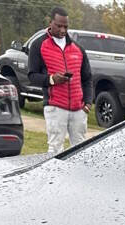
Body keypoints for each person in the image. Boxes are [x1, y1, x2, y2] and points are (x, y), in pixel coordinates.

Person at [28, 6, 93, 154]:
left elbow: (88, 79)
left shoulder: (78, 48)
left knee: (81, 151)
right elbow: (32, 76)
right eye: (59, 26)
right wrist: (51, 79)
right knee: (55, 150)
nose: (63, 30)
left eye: (66, 26)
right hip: (55, 107)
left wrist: (88, 104)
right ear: (50, 22)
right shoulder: (38, 45)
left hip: (79, 109)